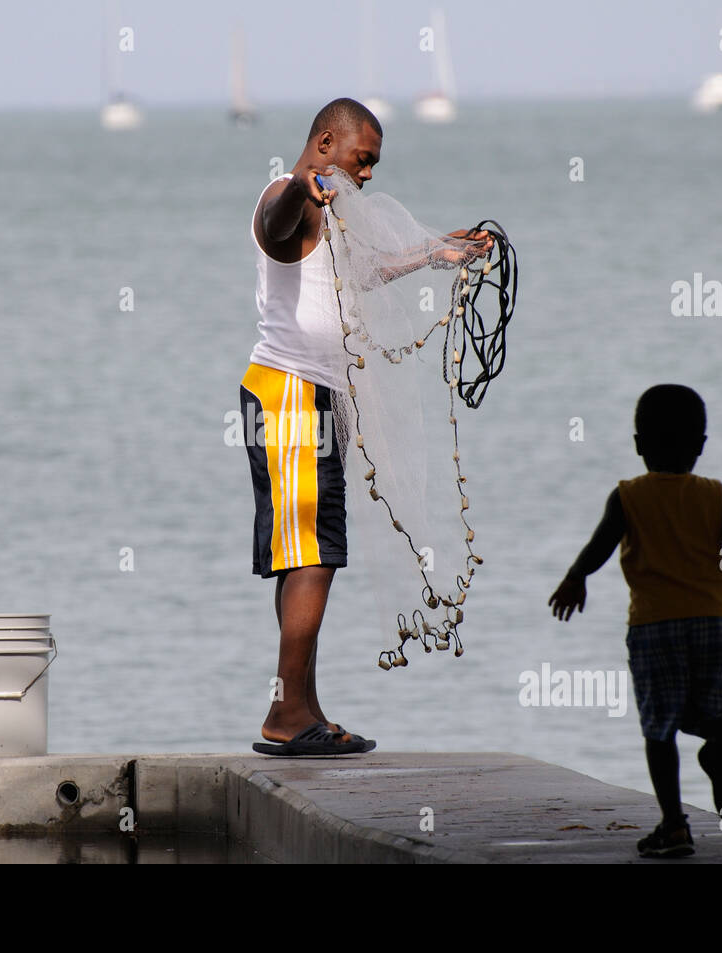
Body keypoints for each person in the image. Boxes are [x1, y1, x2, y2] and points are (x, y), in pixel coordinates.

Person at [241, 98, 491, 756]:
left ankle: (299, 707)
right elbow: (275, 223)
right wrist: (300, 185)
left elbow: (362, 275)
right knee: (314, 556)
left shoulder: (334, 213)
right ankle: (288, 715)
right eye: (362, 159)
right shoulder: (287, 199)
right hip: (290, 395)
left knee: (306, 557)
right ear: (326, 141)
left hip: (311, 399)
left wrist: (436, 253)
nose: (369, 175)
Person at [547, 383, 722, 857]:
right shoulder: (715, 495)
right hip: (717, 622)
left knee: (659, 729)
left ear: (638, 444)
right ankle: (721, 752)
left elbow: (599, 546)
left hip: (654, 626)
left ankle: (674, 825)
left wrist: (575, 578)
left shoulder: (628, 496)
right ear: (701, 446)